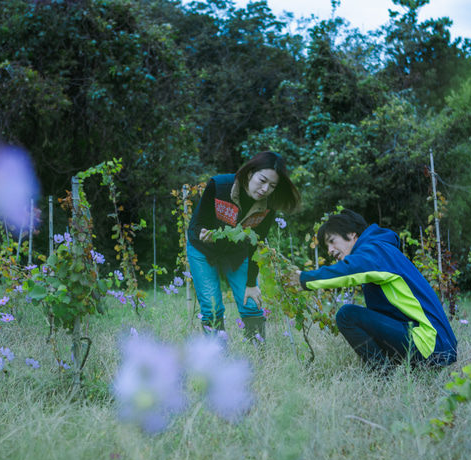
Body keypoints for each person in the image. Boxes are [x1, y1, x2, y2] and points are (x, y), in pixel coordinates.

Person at [289, 209, 457, 372]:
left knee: (348, 315)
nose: (330, 250)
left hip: (432, 344)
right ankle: (393, 368)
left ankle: (382, 373)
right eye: (327, 247)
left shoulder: (376, 250)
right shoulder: (380, 249)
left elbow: (350, 271)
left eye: (332, 241)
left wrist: (305, 279)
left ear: (352, 234)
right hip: (433, 342)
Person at [187, 151, 301, 340]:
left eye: (272, 186)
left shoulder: (268, 205)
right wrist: (203, 233)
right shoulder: (219, 185)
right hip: (203, 249)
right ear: (250, 173)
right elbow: (201, 222)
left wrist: (251, 284)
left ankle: (258, 354)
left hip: (238, 252)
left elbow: (257, 243)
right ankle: (216, 358)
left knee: (251, 303)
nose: (265, 189)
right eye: (262, 180)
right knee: (212, 307)